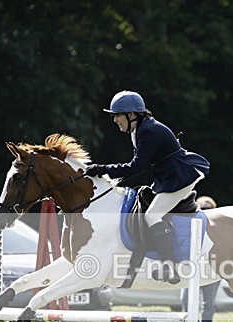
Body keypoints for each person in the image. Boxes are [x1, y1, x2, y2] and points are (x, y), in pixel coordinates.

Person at [85, 90, 210, 284]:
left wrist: (102, 169)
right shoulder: (139, 129)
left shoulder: (148, 131)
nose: (115, 120)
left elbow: (137, 167)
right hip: (167, 176)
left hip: (179, 175)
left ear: (132, 115)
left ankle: (171, 266)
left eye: (117, 115)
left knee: (152, 215)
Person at [180, 196, 221, 322]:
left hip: (210, 269)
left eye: (209, 208)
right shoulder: (188, 225)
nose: (206, 211)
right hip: (191, 268)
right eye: (203, 208)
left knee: (208, 303)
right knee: (186, 300)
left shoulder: (219, 228)